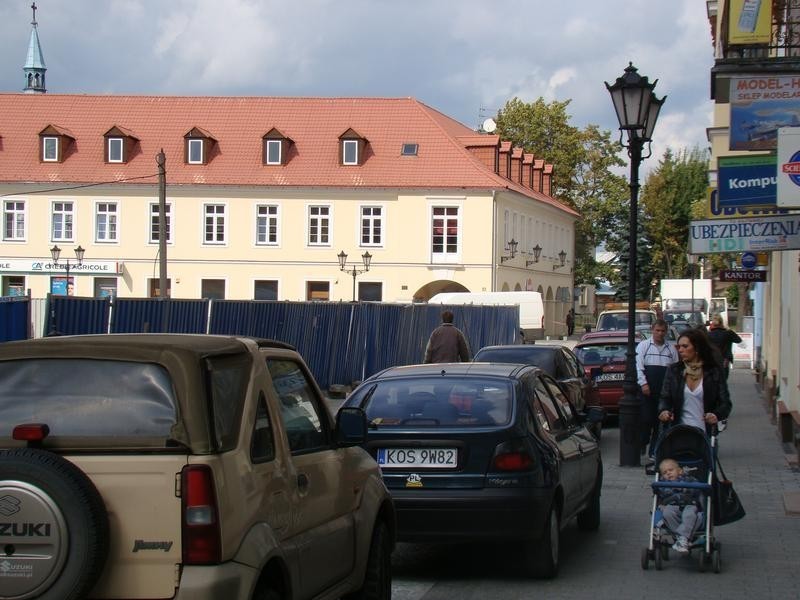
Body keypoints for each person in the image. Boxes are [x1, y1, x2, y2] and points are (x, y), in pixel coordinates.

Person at [658, 327, 732, 433]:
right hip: (678, 432)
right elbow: (665, 397)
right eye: (679, 347)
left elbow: (725, 403)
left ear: (697, 348)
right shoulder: (674, 371)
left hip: (705, 433)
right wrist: (664, 411)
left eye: (685, 346)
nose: (680, 350)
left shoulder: (713, 372)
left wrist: (716, 415)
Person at [636, 319, 679, 458]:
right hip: (647, 389)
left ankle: (653, 451)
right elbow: (638, 367)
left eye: (662, 331)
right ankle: (642, 442)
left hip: (664, 391)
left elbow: (675, 370)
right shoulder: (643, 346)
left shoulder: (671, 349)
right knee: (646, 419)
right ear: (652, 330)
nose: (660, 333)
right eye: (657, 330)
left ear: (666, 332)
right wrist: (643, 384)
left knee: (659, 422)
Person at [657, 458, 703, 554]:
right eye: (665, 472)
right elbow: (661, 494)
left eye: (671, 470)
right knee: (667, 512)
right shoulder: (663, 484)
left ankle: (682, 538)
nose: (668, 473)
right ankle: (683, 539)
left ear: (680, 471)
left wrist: (685, 487)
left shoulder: (689, 480)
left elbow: (698, 489)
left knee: (693, 515)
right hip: (673, 507)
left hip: (689, 505)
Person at [707, 314, 742, 380]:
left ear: (713, 323)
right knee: (722, 382)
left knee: (712, 383)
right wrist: (728, 329)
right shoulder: (728, 333)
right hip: (724, 362)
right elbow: (738, 340)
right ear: (722, 322)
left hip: (712, 362)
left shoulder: (708, 335)